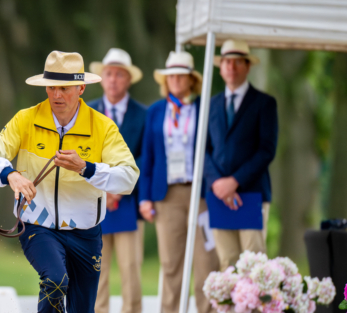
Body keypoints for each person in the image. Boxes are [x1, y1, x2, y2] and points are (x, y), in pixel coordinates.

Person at [0, 51, 139, 313]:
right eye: (51, 87)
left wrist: (86, 168)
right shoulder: (26, 119)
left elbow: (129, 177)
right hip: (38, 225)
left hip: (86, 234)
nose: (57, 95)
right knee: (54, 280)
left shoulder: (103, 127)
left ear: (81, 88)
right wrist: (11, 175)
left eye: (64, 88)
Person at [138, 51, 219, 313]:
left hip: (201, 195)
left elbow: (212, 149)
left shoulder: (203, 108)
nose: (175, 79)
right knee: (171, 264)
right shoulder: (155, 111)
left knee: (206, 261)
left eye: (180, 75)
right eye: (170, 75)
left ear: (190, 80)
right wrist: (144, 197)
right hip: (166, 196)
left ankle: (207, 310)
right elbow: (147, 157)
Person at [204, 40, 278, 268]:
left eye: (237, 62)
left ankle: (254, 306)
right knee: (227, 261)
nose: (231, 67)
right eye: (227, 62)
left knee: (254, 263)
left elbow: (266, 150)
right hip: (218, 195)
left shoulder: (264, 103)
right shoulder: (210, 104)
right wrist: (217, 182)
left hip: (252, 193)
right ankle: (230, 306)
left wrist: (234, 182)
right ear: (220, 66)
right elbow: (203, 150)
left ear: (247, 66)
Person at [87, 48, 147, 313]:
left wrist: (120, 189)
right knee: (96, 271)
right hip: (94, 204)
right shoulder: (88, 112)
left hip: (128, 204)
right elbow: (82, 154)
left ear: (128, 79)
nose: (113, 80)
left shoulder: (143, 115)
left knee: (131, 270)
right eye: (109, 74)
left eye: (119, 75)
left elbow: (145, 157)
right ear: (102, 77)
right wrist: (104, 188)